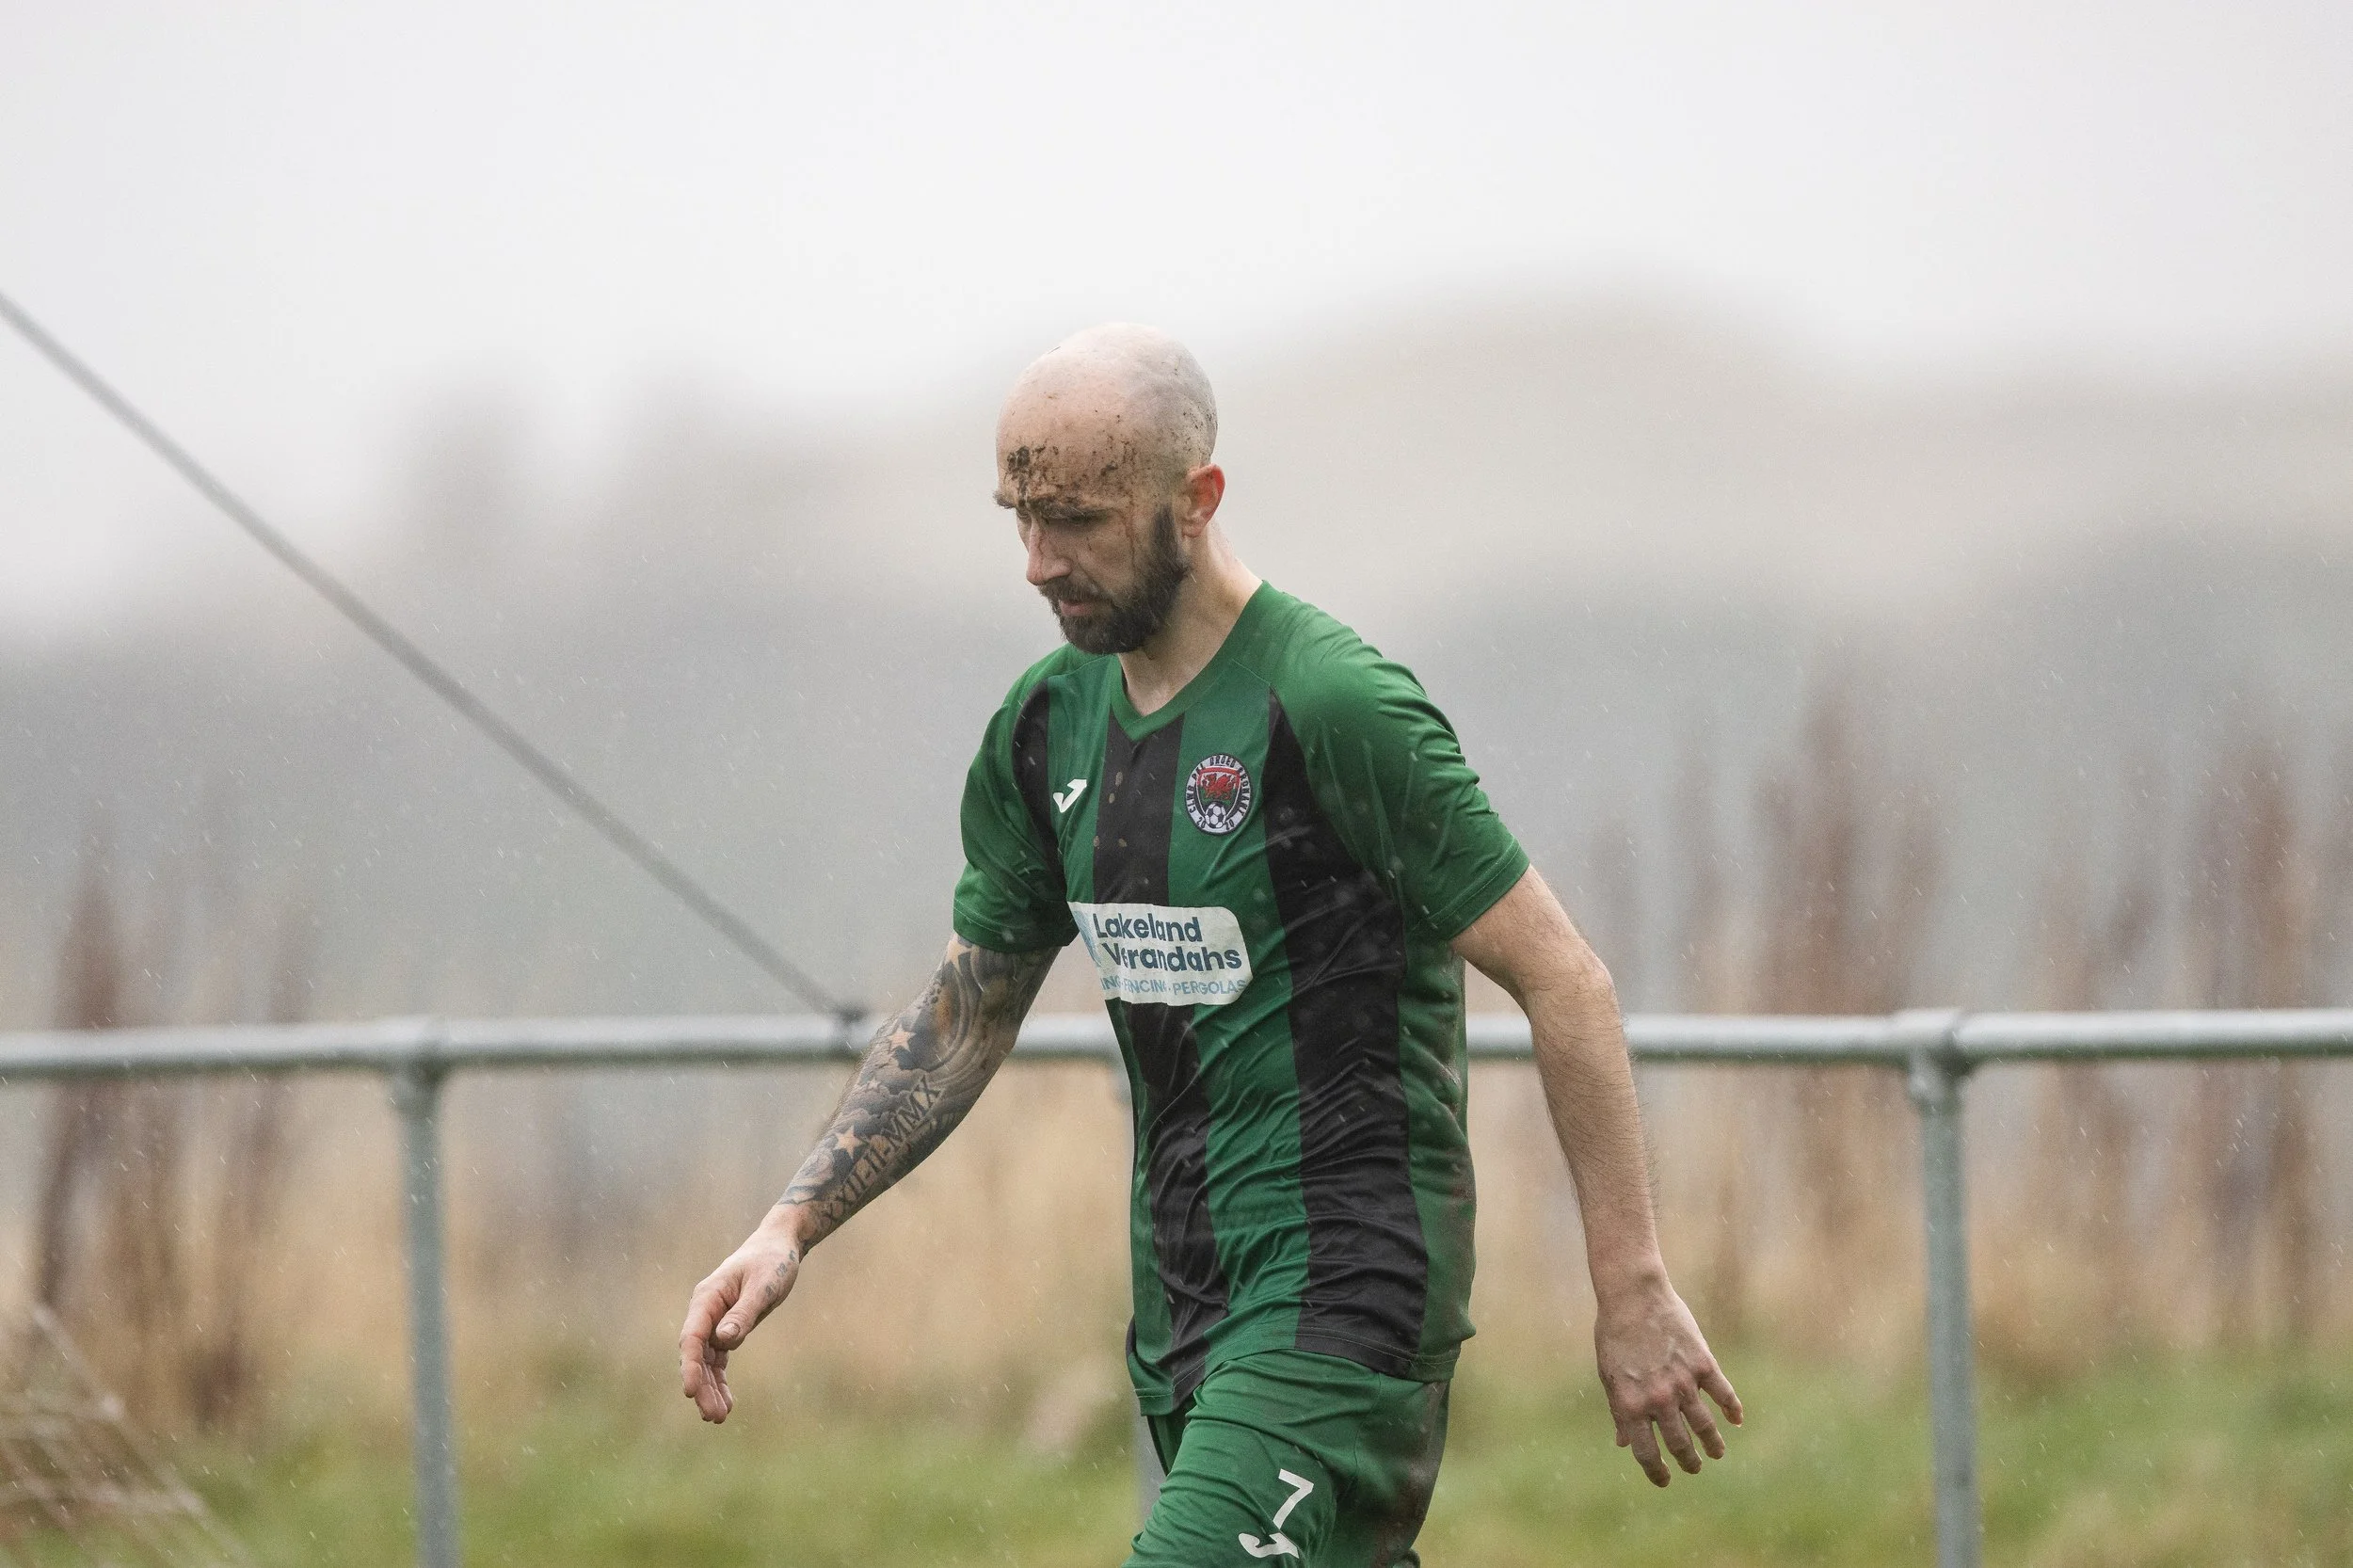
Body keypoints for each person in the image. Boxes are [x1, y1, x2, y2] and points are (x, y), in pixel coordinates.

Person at [680, 323, 1740, 1565]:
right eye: (1021, 518)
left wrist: (1631, 1285)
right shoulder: (1047, 726)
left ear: (1198, 498)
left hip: (1342, 1309)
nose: (1038, 562)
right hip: (1182, 1320)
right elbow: (968, 1014)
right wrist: (789, 1224)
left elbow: (1567, 979)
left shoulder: (1333, 703)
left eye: (1077, 519)